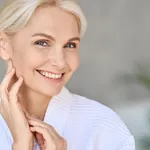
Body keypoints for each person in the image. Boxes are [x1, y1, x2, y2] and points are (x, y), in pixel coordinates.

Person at [0, 0, 135, 150]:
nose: (60, 62)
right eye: (42, 43)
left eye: (70, 45)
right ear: (3, 45)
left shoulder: (104, 127)